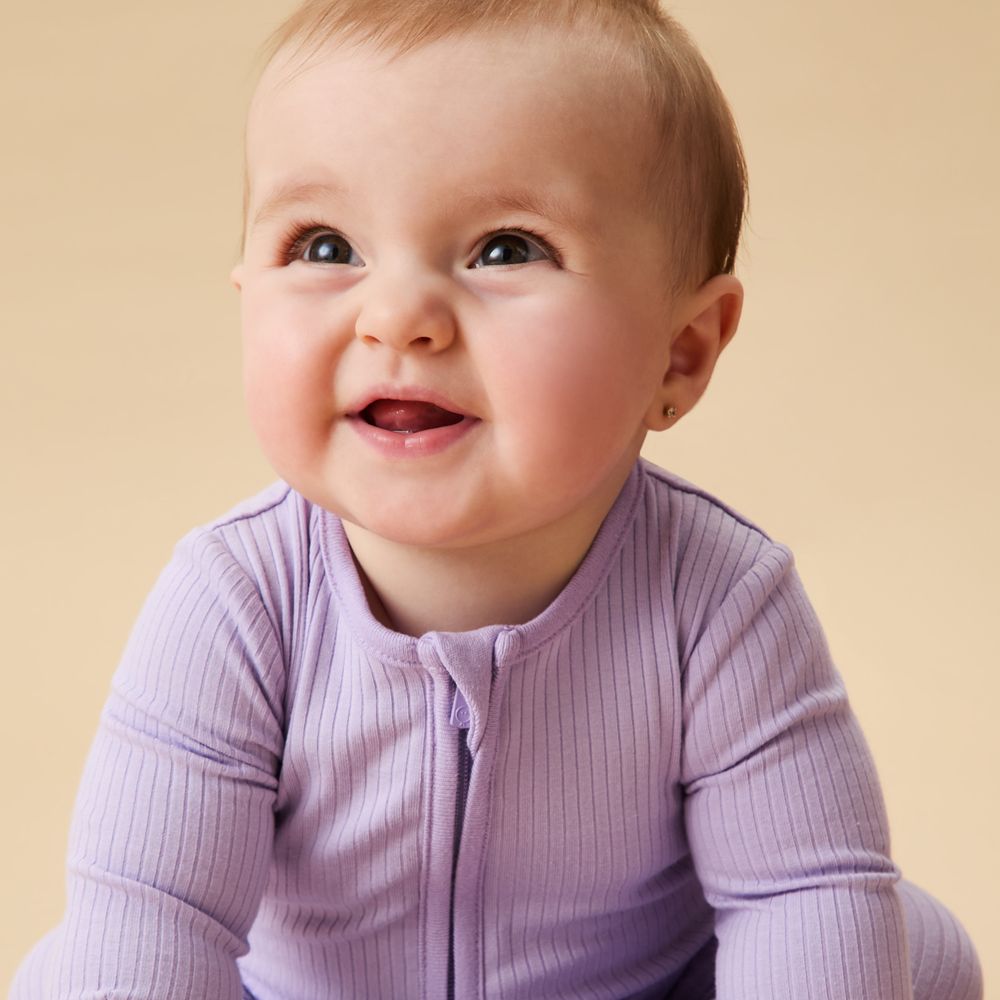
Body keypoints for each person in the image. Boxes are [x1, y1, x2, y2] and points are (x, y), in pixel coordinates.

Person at [10, 1, 984, 997]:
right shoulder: (235, 598)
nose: (396, 316)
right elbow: (151, 908)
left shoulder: (720, 598)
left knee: (905, 945)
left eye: (505, 250)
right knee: (79, 966)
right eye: (324, 246)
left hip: (637, 984)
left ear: (680, 352)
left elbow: (801, 894)